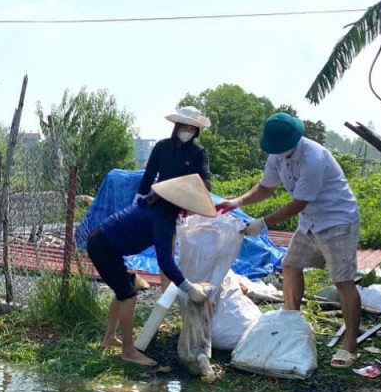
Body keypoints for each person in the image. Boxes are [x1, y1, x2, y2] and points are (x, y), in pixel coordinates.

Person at [218, 112, 362, 368]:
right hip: (310, 222)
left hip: (337, 220)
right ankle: (291, 324)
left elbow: (299, 203)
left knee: (343, 281)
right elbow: (266, 188)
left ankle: (350, 345)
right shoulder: (277, 155)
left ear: (294, 140)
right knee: (290, 265)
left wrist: (263, 223)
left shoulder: (313, 159)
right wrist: (237, 201)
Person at [87, 175, 214, 367]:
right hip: (104, 247)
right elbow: (165, 263)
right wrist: (189, 288)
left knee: (125, 287)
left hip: (103, 242)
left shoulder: (154, 205)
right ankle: (128, 352)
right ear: (179, 202)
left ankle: (109, 338)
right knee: (128, 296)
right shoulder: (162, 219)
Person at [137, 105, 212, 198]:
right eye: (184, 128)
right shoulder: (161, 146)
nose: (187, 132)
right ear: (177, 128)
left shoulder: (199, 152)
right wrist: (140, 195)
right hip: (161, 197)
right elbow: (149, 175)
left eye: (192, 129)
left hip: (187, 200)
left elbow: (206, 182)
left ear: (196, 132)